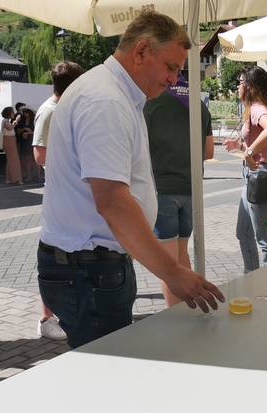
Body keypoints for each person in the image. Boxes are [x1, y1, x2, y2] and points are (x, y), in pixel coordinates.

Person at [38, 10, 224, 349]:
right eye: (170, 67)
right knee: (106, 377)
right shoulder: (106, 100)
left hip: (91, 266)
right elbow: (112, 201)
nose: (173, 79)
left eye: (179, 71)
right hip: (88, 269)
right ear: (140, 52)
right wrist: (172, 272)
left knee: (106, 369)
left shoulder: (115, 92)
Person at [144, 74, 215, 307]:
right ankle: (189, 308)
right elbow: (208, 152)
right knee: (181, 254)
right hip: (191, 189)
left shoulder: (151, 104)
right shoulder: (199, 106)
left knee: (168, 264)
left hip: (163, 189)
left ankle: (176, 315)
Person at [30, 60, 84, 340]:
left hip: (69, 192)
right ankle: (46, 318)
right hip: (58, 193)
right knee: (55, 250)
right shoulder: (49, 111)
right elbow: (39, 154)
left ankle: (61, 311)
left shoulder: (64, 107)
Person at [222, 67, 267, 273]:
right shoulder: (251, 109)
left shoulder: (257, 108)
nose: (237, 86)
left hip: (259, 177)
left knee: (264, 238)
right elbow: (257, 145)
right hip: (252, 176)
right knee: (243, 232)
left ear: (250, 86)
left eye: (240, 82)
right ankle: (252, 277)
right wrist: (239, 147)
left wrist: (248, 151)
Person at [0, 106, 23, 185]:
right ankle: (17, 179)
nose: (13, 113)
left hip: (10, 140)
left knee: (10, 160)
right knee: (14, 160)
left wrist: (14, 121)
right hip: (9, 141)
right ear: (9, 113)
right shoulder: (5, 121)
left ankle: (9, 178)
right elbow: (10, 128)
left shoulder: (6, 120)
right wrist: (16, 120)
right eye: (12, 112)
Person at [16, 106, 37, 182]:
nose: (25, 114)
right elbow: (18, 132)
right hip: (24, 141)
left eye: (26, 112)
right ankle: (29, 175)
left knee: (33, 159)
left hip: (32, 140)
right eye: (24, 112)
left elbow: (37, 131)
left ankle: (36, 175)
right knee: (25, 159)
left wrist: (28, 132)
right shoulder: (22, 121)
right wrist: (23, 130)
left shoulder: (34, 120)